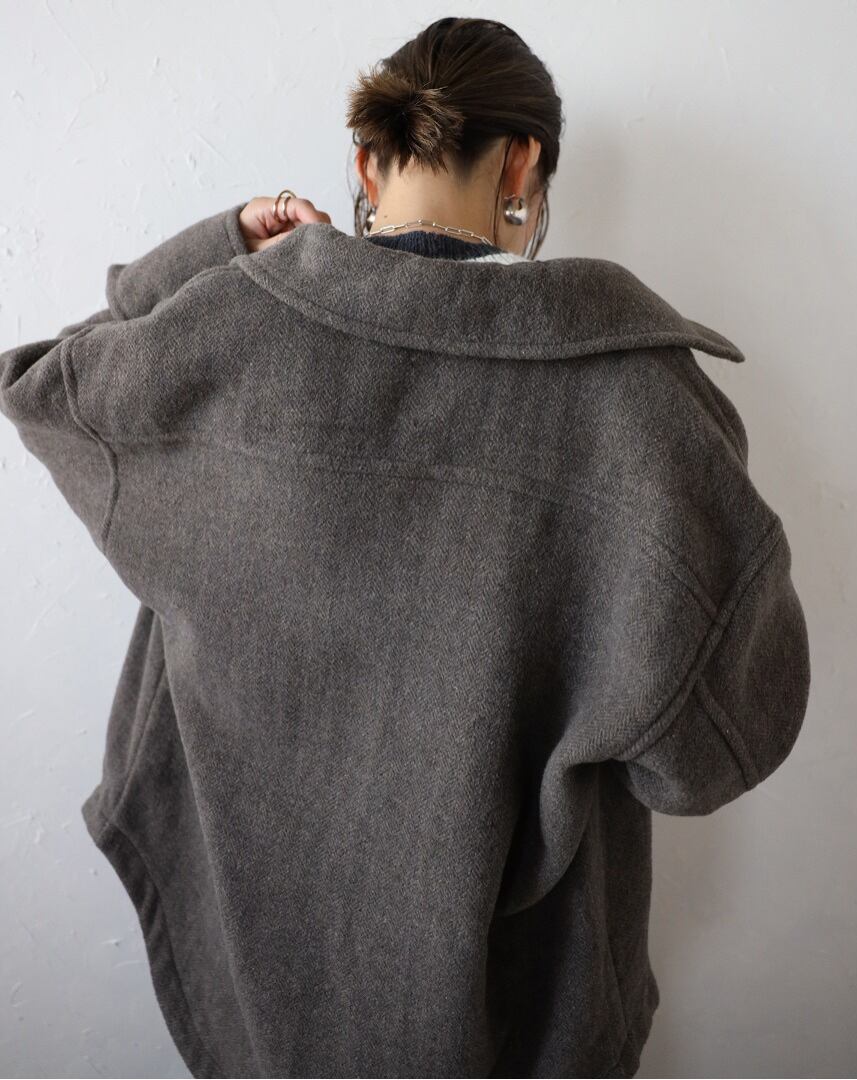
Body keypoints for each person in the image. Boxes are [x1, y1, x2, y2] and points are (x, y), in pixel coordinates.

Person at [0, 16, 810, 1080]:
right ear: (522, 164)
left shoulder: (227, 341)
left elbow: (42, 382)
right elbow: (718, 749)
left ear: (364, 166)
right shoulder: (643, 405)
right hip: (529, 1008)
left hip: (253, 977)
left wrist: (224, 246)